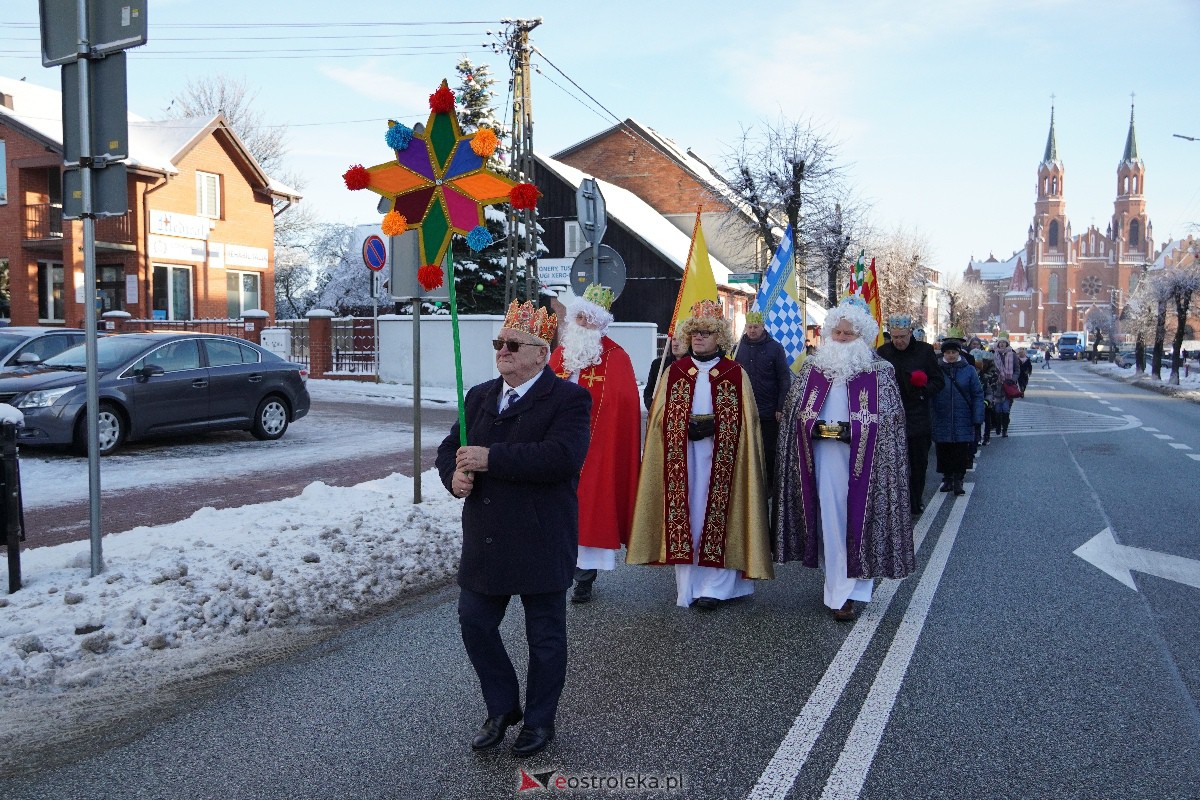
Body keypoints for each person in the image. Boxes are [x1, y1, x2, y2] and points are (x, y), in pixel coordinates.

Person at [435, 300, 591, 759]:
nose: (502, 351)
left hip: (541, 535)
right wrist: (454, 476)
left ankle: (540, 720)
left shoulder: (568, 399)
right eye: (499, 343)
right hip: (487, 536)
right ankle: (502, 707)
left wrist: (491, 459)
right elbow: (450, 447)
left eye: (512, 345)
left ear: (541, 354)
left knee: (544, 637)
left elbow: (563, 457)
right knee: (474, 623)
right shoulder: (480, 395)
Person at [626, 299, 774, 610]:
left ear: (719, 336)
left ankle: (717, 588)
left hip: (723, 461)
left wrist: (717, 428)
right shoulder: (676, 371)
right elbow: (657, 420)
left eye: (706, 332)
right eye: (695, 332)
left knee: (719, 512)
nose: (699, 337)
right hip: (684, 459)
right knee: (688, 514)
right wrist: (679, 427)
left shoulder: (735, 373)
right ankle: (689, 585)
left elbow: (747, 422)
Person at [776, 297, 915, 621]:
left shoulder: (881, 374)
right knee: (831, 521)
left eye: (847, 334)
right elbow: (796, 414)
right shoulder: (813, 369)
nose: (839, 339)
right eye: (836, 332)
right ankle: (839, 590)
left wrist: (859, 432)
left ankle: (850, 590)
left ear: (862, 337)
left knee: (859, 522)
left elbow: (893, 423)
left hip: (865, 467)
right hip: (823, 462)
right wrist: (813, 428)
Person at [549, 284, 641, 604]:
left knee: (589, 513)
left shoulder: (616, 358)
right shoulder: (562, 354)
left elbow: (624, 405)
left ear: (601, 323)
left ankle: (584, 578)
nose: (584, 323)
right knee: (558, 512)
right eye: (580, 317)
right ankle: (559, 570)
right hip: (558, 448)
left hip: (596, 448)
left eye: (590, 318)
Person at [877, 313, 945, 514]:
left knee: (917, 462)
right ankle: (895, 503)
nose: (898, 341)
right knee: (893, 464)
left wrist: (923, 390)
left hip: (917, 417)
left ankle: (915, 500)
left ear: (910, 333)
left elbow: (938, 381)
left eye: (902, 337)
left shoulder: (924, 351)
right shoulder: (883, 352)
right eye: (895, 337)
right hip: (890, 418)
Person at [734, 310, 795, 489]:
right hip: (745, 408)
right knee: (747, 447)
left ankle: (769, 484)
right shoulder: (738, 348)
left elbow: (784, 378)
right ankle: (749, 483)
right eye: (749, 327)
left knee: (769, 449)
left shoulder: (775, 348)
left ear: (763, 327)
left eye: (756, 327)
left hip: (769, 409)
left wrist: (781, 406)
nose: (752, 330)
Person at [930, 339, 984, 495]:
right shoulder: (937, 370)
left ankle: (959, 479)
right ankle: (947, 479)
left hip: (963, 416)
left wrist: (977, 416)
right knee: (944, 449)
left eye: (954, 352)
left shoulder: (969, 370)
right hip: (942, 415)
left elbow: (977, 394)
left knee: (961, 450)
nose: (951, 355)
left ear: (959, 353)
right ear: (943, 354)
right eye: (948, 352)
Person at [644, 331, 688, 411]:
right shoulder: (658, 365)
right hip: (661, 416)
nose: (675, 344)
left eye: (681, 340)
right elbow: (649, 390)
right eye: (674, 339)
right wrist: (650, 403)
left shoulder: (695, 366)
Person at [992, 336, 1019, 437]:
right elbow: (990, 368)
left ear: (1007, 344)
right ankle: (998, 426)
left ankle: (1005, 429)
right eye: (1000, 342)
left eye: (1004, 342)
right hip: (997, 385)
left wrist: (1013, 379)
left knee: (1006, 409)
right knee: (998, 409)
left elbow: (1017, 370)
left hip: (1009, 386)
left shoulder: (1013, 355)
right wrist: (994, 378)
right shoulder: (994, 354)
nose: (1002, 344)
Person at [972, 349, 998, 446]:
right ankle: (978, 437)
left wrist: (987, 401)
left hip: (985, 401)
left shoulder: (984, 376)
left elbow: (989, 390)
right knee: (977, 421)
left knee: (986, 418)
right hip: (974, 402)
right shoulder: (971, 374)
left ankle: (986, 437)